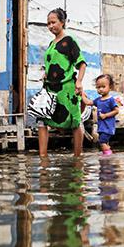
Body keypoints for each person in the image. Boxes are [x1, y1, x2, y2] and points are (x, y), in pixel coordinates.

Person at [38, 8, 87, 157]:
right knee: (41, 120)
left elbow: (82, 63)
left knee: (75, 122)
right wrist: (46, 73)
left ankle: (78, 158)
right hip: (50, 89)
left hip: (66, 89)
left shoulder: (69, 41)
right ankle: (43, 158)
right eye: (48, 24)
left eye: (53, 22)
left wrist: (79, 82)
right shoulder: (51, 44)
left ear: (62, 22)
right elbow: (52, 63)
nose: (50, 26)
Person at [84, 74, 119, 155]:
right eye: (98, 87)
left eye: (103, 87)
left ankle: (108, 156)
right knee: (105, 142)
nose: (101, 89)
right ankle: (107, 155)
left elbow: (116, 111)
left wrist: (106, 115)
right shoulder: (98, 100)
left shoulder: (111, 100)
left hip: (108, 127)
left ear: (110, 87)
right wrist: (82, 93)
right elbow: (88, 102)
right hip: (102, 127)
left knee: (102, 142)